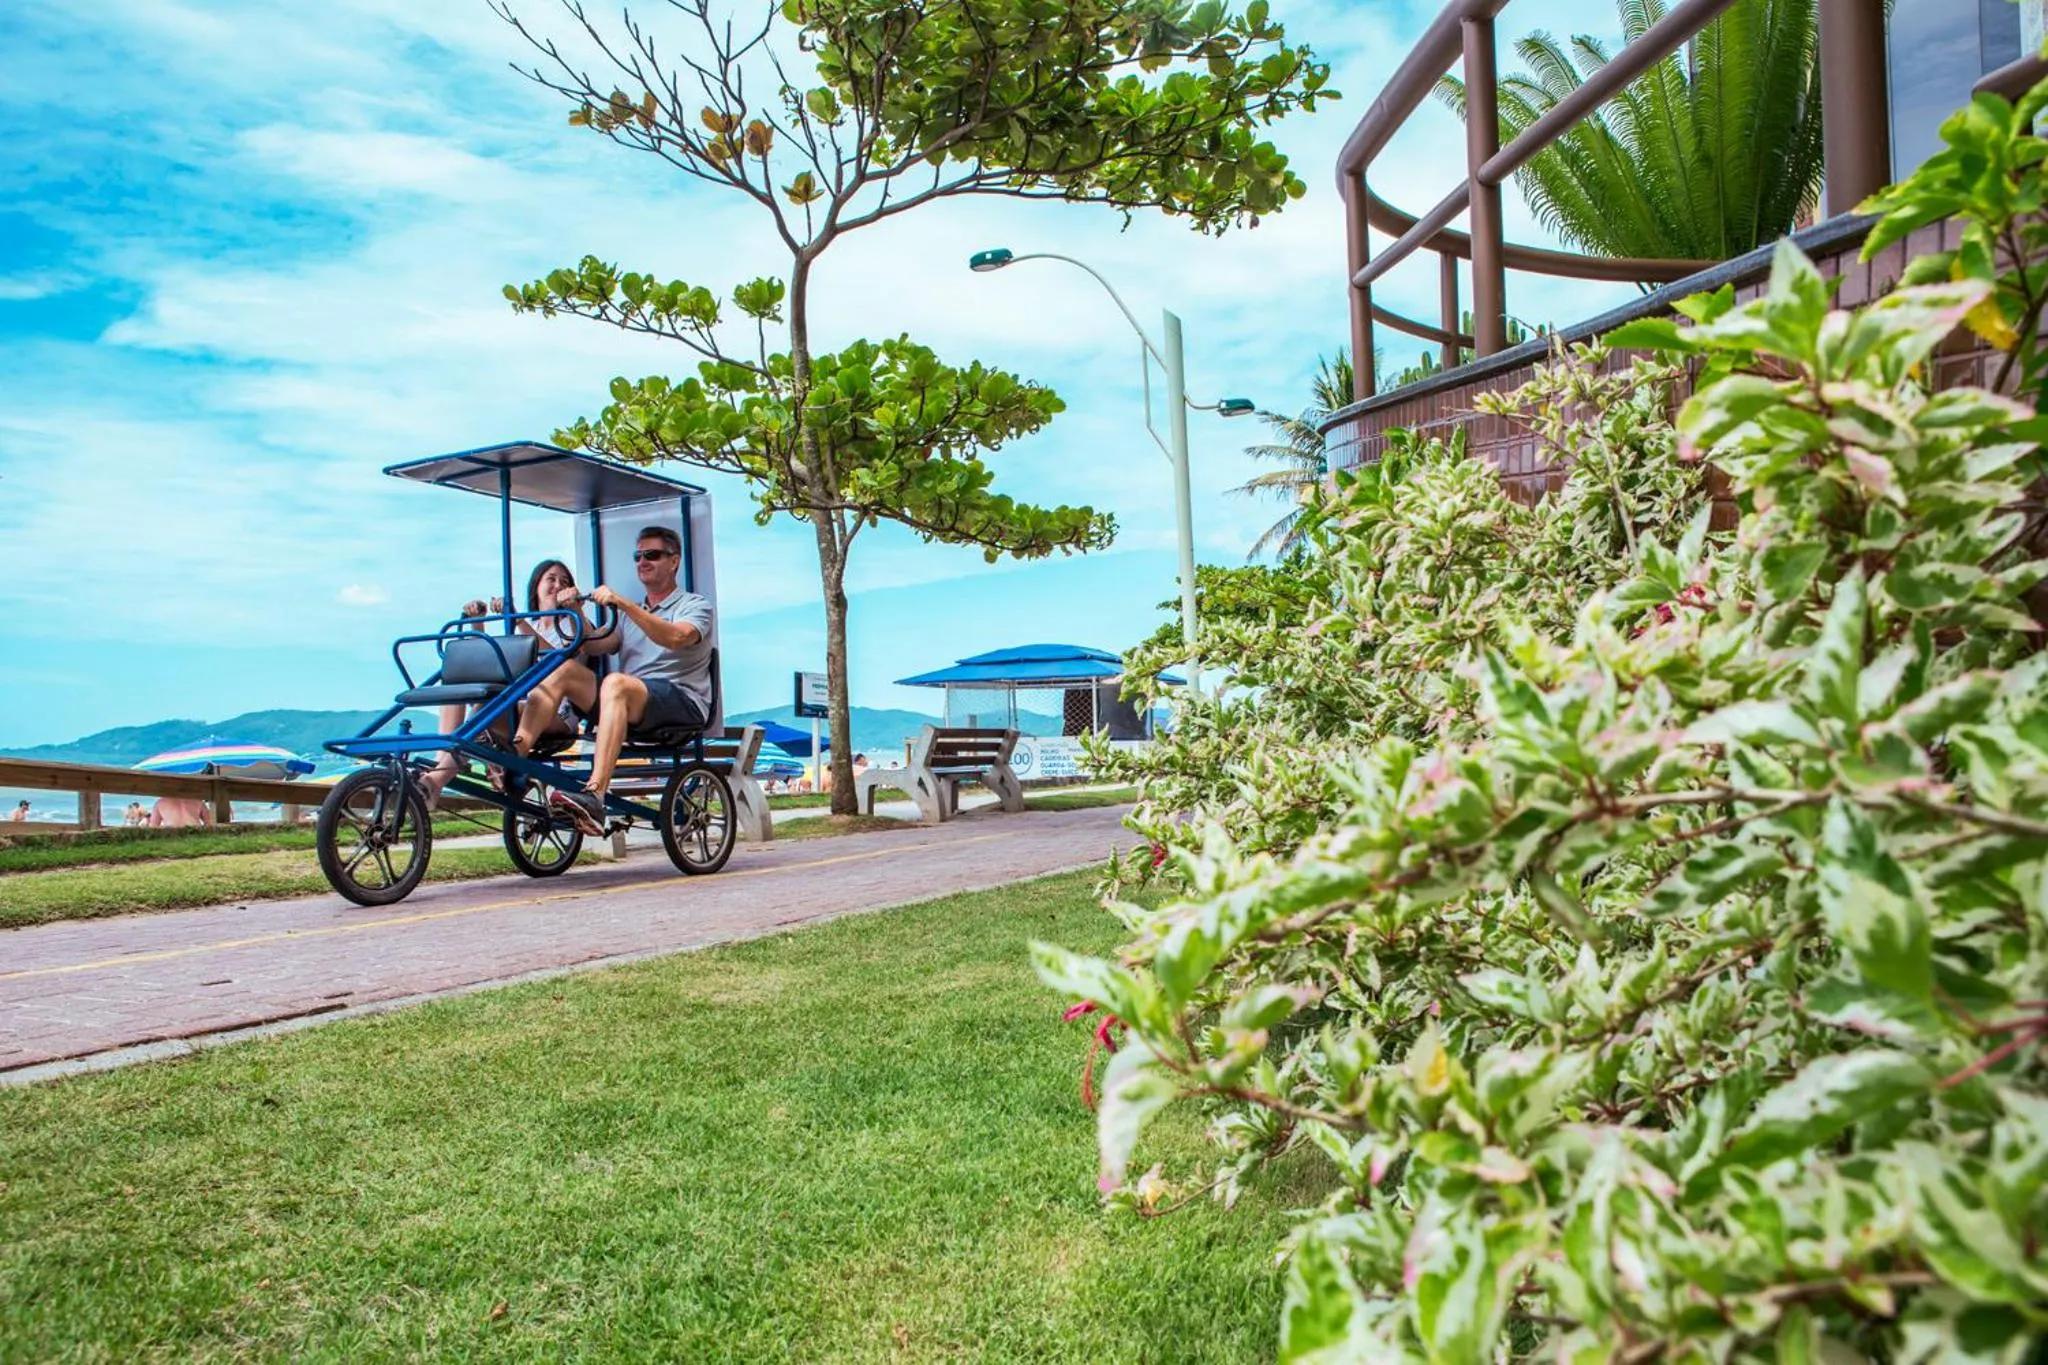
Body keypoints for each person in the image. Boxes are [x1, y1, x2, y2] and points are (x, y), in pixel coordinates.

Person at [514, 526, 713, 836]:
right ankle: (516, 759)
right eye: (638, 556)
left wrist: (623, 604)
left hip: (680, 702)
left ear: (674, 562)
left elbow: (676, 637)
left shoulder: (694, 605)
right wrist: (577, 609)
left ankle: (595, 795)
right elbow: (594, 644)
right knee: (565, 670)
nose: (643, 562)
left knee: (615, 683)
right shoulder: (629, 616)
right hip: (631, 702)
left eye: (652, 555)